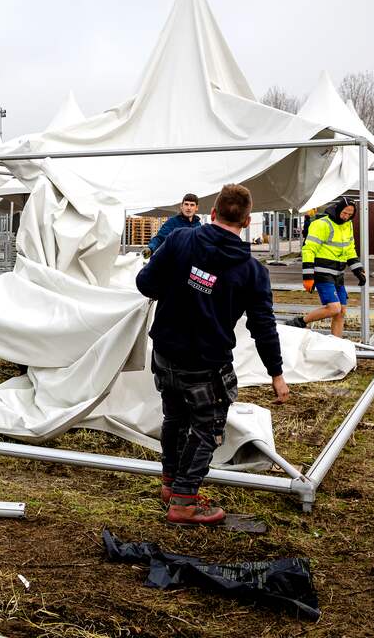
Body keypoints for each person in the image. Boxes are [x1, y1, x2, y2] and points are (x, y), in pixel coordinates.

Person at [136, 183, 289, 525]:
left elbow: (146, 284)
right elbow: (263, 326)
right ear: (247, 221)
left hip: (165, 353)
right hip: (205, 364)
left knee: (174, 419)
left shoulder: (179, 241)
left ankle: (171, 485)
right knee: (207, 429)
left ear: (213, 212)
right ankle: (184, 502)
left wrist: (181, 281)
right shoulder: (252, 272)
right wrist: (276, 374)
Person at [286, 197, 366, 338]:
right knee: (334, 308)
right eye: (344, 213)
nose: (346, 217)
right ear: (338, 209)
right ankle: (299, 322)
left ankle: (336, 344)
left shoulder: (348, 225)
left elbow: (350, 249)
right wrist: (308, 276)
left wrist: (358, 270)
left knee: (341, 311)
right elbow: (308, 250)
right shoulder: (321, 224)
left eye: (349, 214)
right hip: (323, 272)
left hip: (338, 274)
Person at [143, 193, 201, 258]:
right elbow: (160, 237)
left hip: (191, 263)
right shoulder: (172, 222)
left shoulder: (198, 224)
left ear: (196, 208)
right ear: (181, 206)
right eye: (186, 204)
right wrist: (150, 248)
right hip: (175, 262)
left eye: (192, 205)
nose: (189, 208)